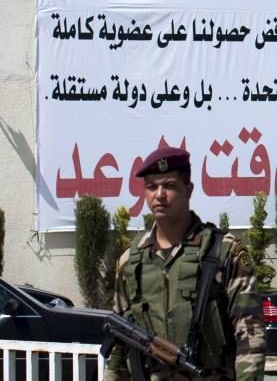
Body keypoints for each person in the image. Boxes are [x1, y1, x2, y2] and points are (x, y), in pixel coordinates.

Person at [105, 147, 266, 380]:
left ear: (188, 190)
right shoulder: (130, 261)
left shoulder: (223, 251)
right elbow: (120, 340)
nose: (159, 194)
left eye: (169, 185)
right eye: (151, 187)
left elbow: (250, 332)